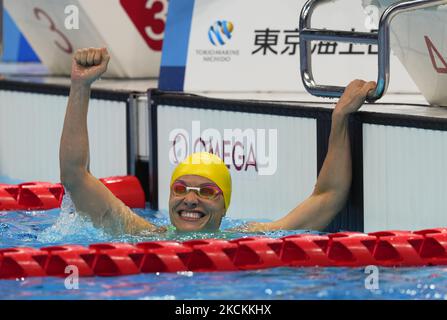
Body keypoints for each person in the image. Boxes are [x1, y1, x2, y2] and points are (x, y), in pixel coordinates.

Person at [60, 47, 376, 235]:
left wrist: (339, 119)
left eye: (208, 192)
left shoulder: (247, 240)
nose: (190, 200)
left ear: (225, 206)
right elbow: (75, 176)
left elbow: (328, 196)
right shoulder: (143, 235)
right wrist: (80, 86)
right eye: (180, 189)